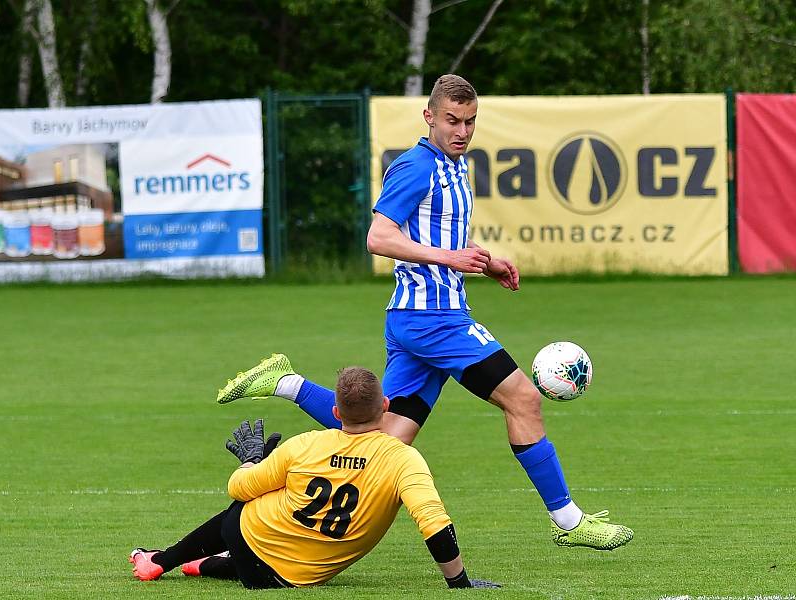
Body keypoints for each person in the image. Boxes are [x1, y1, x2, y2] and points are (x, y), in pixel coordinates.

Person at [217, 74, 632, 551]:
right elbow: (379, 237)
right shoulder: (415, 167)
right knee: (524, 399)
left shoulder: (454, 167)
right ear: (429, 117)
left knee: (379, 438)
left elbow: (443, 238)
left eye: (470, 121)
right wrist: (450, 259)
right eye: (452, 120)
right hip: (434, 319)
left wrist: (485, 261)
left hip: (423, 320)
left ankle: (284, 382)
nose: (462, 131)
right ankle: (570, 521)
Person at [131, 367, 498, 589]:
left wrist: (252, 461)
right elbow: (434, 523)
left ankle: (164, 560)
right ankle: (193, 562)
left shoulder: (305, 444)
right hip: (291, 577)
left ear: (336, 411)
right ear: (385, 408)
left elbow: (238, 489)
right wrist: (459, 582)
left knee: (245, 507)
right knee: (254, 548)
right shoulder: (404, 460)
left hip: (250, 542)